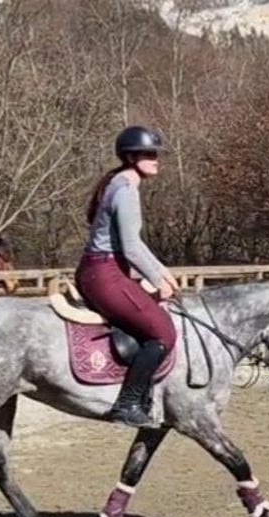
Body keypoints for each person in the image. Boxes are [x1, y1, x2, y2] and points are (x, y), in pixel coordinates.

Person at [75, 125, 180, 428]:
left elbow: (133, 245)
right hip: (105, 272)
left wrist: (162, 272)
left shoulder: (121, 182)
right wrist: (158, 280)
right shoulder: (126, 189)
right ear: (131, 156)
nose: (156, 159)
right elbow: (132, 248)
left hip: (106, 269)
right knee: (163, 334)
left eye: (156, 154)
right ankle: (128, 403)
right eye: (150, 154)